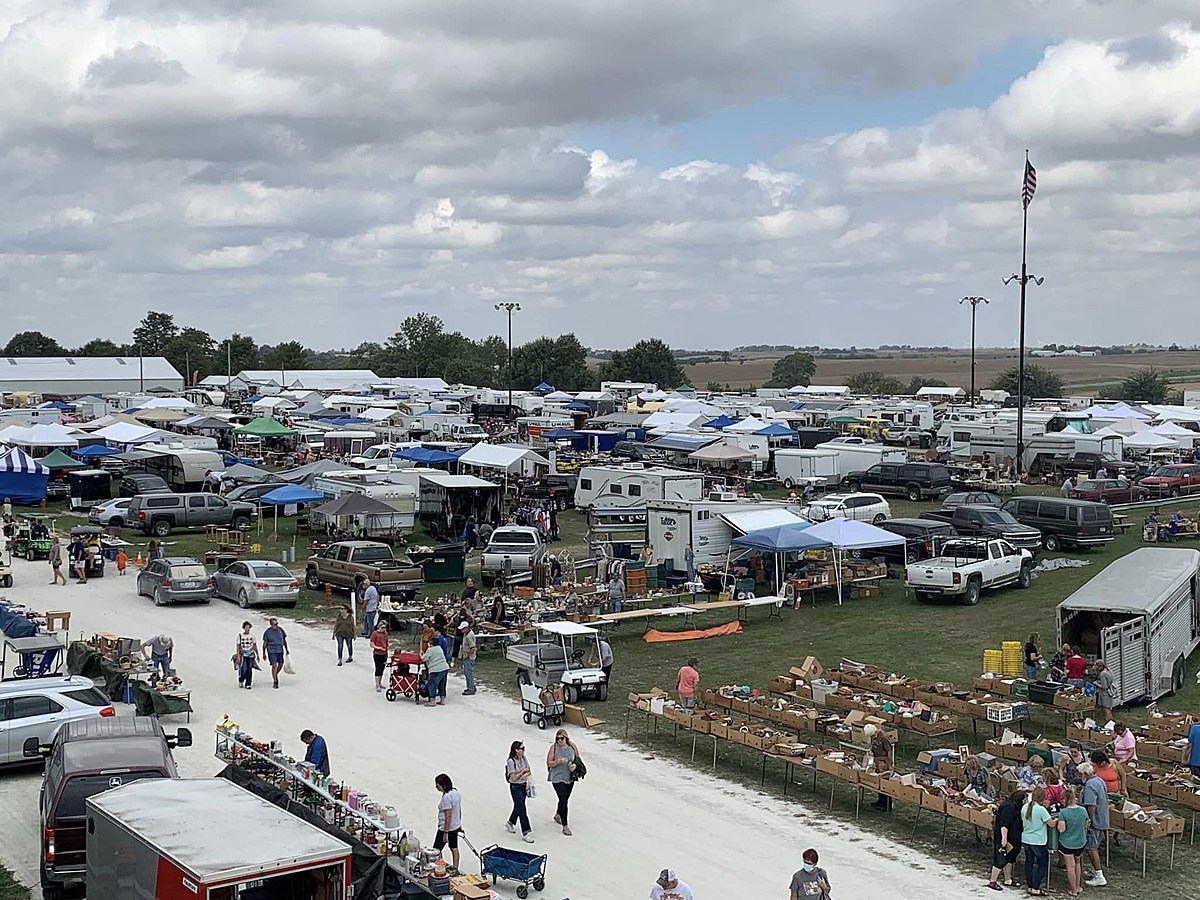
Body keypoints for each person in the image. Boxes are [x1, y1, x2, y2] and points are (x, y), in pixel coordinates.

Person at [986, 789, 1025, 891]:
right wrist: (1004, 839)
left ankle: (1008, 880)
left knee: (1010, 859)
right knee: (1000, 859)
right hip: (1007, 837)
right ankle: (992, 881)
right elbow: (1004, 825)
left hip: (1013, 838)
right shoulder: (1009, 808)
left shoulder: (1010, 805)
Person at [1021, 786, 1056, 895]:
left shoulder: (1025, 807)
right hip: (1038, 841)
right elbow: (1051, 824)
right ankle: (1036, 887)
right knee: (1042, 865)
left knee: (1029, 863)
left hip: (1026, 839)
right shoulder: (1041, 810)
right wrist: (1057, 819)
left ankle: (1030, 885)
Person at [1079, 761, 1109, 887]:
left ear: (1085, 773)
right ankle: (1095, 870)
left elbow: (1091, 805)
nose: (1079, 776)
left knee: (1091, 848)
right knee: (1093, 846)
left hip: (1094, 821)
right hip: (1102, 818)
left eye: (1080, 774)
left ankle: (1099, 876)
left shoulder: (1090, 785)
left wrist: (1088, 820)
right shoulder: (1099, 780)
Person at [547, 728, 580, 836]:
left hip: (569, 777)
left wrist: (574, 765)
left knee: (565, 798)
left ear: (566, 738)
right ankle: (565, 826)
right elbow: (548, 763)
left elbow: (577, 759)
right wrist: (558, 761)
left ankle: (558, 814)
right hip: (557, 777)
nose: (559, 741)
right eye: (557, 739)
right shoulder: (554, 748)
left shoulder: (572, 747)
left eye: (561, 738)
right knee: (563, 799)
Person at [1057, 787, 1088, 898]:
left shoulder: (1063, 813)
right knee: (1077, 864)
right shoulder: (1083, 810)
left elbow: (1061, 829)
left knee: (1070, 866)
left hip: (1067, 843)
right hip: (1080, 842)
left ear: (1065, 799)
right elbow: (1086, 825)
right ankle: (1078, 887)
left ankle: (1073, 890)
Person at [505, 740, 535, 843]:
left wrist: (522, 774)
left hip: (523, 785)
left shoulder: (523, 758)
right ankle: (526, 832)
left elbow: (529, 770)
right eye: (522, 749)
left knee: (519, 806)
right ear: (516, 750)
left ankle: (510, 822)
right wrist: (522, 772)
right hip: (515, 787)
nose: (523, 750)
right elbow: (513, 777)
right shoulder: (511, 761)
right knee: (522, 808)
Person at [865, 724, 893, 811]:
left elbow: (889, 750)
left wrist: (889, 763)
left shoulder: (883, 737)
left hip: (884, 761)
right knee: (878, 782)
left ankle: (887, 804)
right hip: (877, 761)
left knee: (885, 782)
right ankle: (880, 801)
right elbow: (872, 745)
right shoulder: (873, 736)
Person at [422, 634, 450, 705]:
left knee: (431, 684)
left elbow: (424, 658)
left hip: (435, 669)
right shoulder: (439, 648)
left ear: (431, 643)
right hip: (445, 668)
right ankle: (442, 699)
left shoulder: (430, 650)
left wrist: (421, 654)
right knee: (442, 684)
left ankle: (432, 700)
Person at [262, 617, 289, 689]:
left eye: (277, 624)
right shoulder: (267, 632)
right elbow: (265, 643)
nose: (276, 625)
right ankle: (275, 681)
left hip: (280, 650)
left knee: (280, 664)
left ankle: (275, 674)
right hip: (271, 650)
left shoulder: (280, 630)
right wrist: (263, 653)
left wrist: (286, 649)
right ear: (271, 624)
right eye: (275, 624)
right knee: (274, 665)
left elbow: (284, 640)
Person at [232, 621, 259, 689]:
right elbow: (238, 646)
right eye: (246, 628)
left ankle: (248, 683)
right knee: (244, 668)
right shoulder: (240, 636)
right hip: (243, 654)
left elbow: (255, 646)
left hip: (251, 654)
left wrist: (257, 654)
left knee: (249, 669)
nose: (248, 629)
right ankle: (241, 679)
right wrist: (238, 656)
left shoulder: (252, 636)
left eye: (249, 628)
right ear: (244, 628)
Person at [370, 622, 390, 693]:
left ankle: (380, 682)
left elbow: (386, 642)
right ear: (379, 627)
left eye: (385, 628)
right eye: (382, 628)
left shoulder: (385, 634)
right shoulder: (375, 634)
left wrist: (387, 649)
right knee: (378, 668)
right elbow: (372, 644)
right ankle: (377, 684)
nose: (384, 629)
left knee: (382, 668)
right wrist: (379, 648)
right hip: (377, 653)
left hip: (384, 653)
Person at [460, 619, 477, 695]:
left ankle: (471, 688)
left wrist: (468, 654)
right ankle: (472, 685)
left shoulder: (469, 636)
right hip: (467, 655)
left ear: (467, 628)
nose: (461, 630)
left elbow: (473, 648)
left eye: (462, 629)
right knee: (468, 672)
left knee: (468, 672)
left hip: (469, 657)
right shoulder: (467, 634)